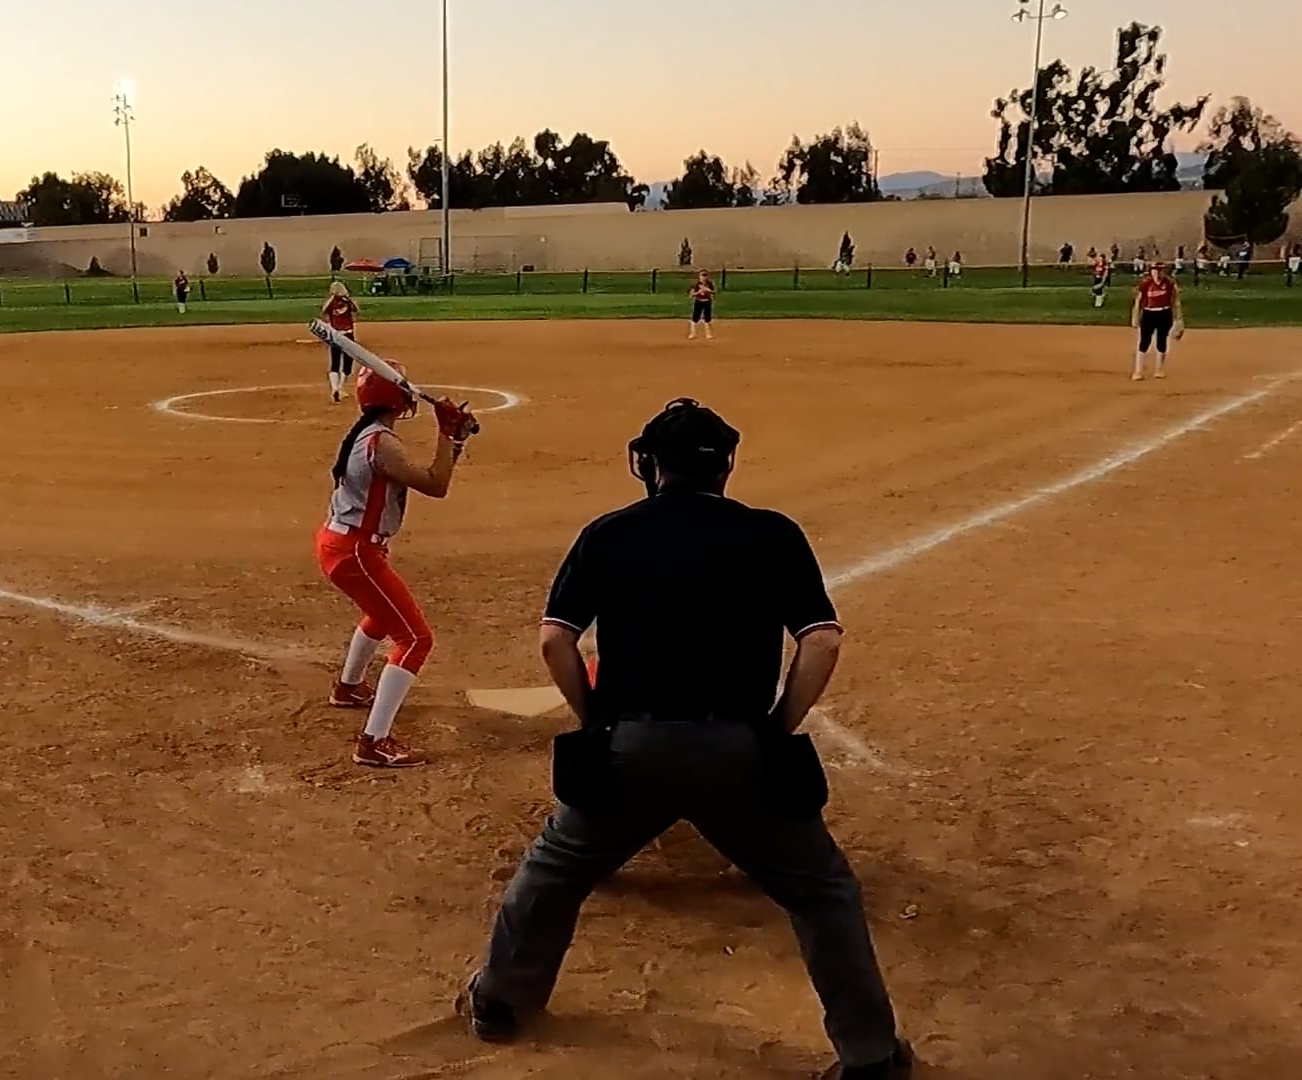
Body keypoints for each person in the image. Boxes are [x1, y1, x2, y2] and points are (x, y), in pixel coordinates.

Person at [458, 398, 912, 1080]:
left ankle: (500, 1001)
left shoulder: (611, 532)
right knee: (823, 894)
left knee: (554, 871)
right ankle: (870, 1055)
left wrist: (594, 719)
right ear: (726, 465)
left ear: (652, 466)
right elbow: (821, 642)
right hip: (738, 752)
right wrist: (776, 729)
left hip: (631, 749)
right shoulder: (772, 533)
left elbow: (555, 640)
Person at [316, 363, 477, 768]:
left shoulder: (367, 433)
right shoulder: (382, 443)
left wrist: (454, 439)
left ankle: (348, 687)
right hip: (355, 552)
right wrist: (447, 435)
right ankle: (373, 742)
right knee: (415, 640)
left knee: (381, 614)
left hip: (342, 544)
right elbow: (435, 485)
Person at [1131, 261, 1184, 381]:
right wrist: (1135, 316)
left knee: (1162, 340)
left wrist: (1179, 319)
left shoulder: (1169, 283)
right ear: (1151, 271)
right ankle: (1138, 371)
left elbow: (1175, 301)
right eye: (1155, 270)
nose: (1158, 273)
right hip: (1149, 313)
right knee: (1144, 341)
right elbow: (1138, 301)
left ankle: (1159, 369)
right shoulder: (1146, 284)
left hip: (1164, 313)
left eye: (1160, 270)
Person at [319, 282, 361, 403]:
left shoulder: (339, 302)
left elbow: (356, 309)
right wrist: (344, 298)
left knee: (335, 362)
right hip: (346, 334)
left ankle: (335, 388)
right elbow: (356, 310)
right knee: (347, 363)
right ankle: (340, 387)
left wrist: (344, 298)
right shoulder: (337, 302)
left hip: (335, 335)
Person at [687, 270, 716, 340]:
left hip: (707, 302)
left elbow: (714, 292)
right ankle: (693, 333)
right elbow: (691, 295)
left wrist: (708, 290)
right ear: (699, 276)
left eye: (705, 275)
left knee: (707, 318)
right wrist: (698, 292)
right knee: (695, 318)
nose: (703, 277)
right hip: (698, 302)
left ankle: (708, 334)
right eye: (702, 276)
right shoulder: (696, 284)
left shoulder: (710, 284)